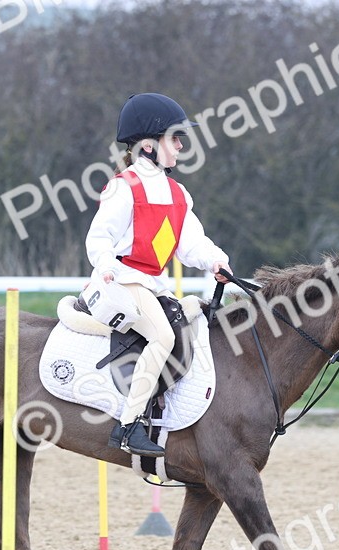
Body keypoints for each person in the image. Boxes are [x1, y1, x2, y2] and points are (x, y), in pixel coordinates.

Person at [86, 93, 233, 457]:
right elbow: (98, 237)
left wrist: (215, 261)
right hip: (121, 280)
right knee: (164, 336)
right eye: (175, 138)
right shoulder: (124, 187)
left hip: (150, 284)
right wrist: (104, 267)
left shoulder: (178, 194)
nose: (181, 146)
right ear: (149, 146)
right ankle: (128, 425)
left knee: (193, 316)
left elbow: (191, 244)